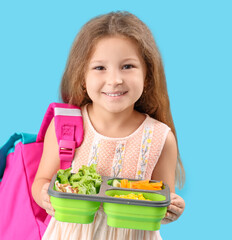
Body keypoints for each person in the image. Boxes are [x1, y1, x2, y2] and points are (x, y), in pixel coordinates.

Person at [31, 11, 185, 240]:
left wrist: (171, 207)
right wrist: (44, 195)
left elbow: (161, 198)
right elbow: (42, 181)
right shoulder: (65, 126)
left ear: (148, 75)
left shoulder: (160, 138)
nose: (115, 80)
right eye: (100, 68)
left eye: (128, 66)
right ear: (82, 77)